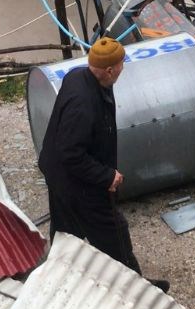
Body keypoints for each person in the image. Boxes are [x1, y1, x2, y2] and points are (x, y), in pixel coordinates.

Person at [37, 37, 145, 277]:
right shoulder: (83, 104)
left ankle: (58, 276)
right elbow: (71, 153)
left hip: (57, 173)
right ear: (109, 70)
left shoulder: (78, 76)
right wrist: (107, 176)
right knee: (113, 231)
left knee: (66, 233)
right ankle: (134, 285)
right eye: (121, 63)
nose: (123, 67)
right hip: (76, 180)